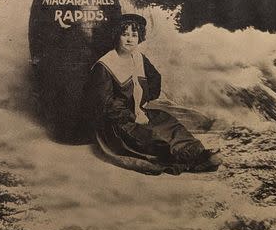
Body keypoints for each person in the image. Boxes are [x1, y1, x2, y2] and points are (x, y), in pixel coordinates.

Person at [84, 13, 221, 175]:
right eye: (125, 34)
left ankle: (198, 153)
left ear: (139, 37)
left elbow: (155, 79)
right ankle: (192, 161)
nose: (129, 39)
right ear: (116, 36)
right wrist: (134, 117)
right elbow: (106, 105)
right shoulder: (105, 65)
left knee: (169, 122)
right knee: (152, 137)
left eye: (134, 35)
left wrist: (143, 104)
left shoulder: (139, 58)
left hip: (139, 113)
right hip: (118, 123)